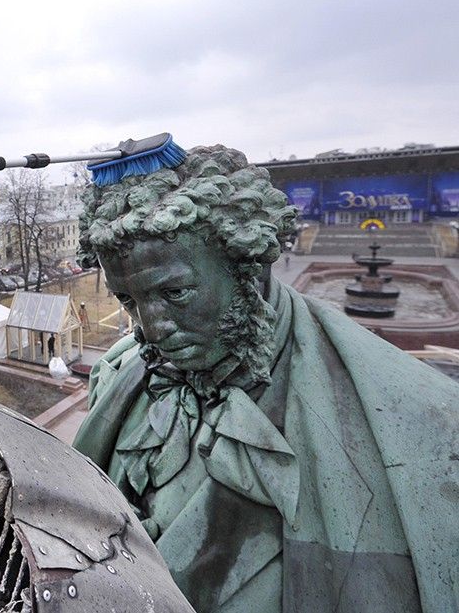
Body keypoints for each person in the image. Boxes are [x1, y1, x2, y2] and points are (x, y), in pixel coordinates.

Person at [72, 145, 458, 612]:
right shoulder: (119, 374)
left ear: (249, 269)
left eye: (176, 293)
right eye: (129, 301)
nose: (151, 330)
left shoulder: (426, 425)